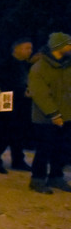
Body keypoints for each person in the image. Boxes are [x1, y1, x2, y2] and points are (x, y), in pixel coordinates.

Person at [27, 32, 71, 194]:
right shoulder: (39, 67)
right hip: (45, 119)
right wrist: (54, 114)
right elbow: (40, 94)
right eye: (69, 44)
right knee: (44, 149)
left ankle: (56, 176)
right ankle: (37, 179)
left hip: (67, 115)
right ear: (59, 47)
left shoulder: (68, 65)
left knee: (62, 148)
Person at [0, 38, 33, 173]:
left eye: (30, 48)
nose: (30, 51)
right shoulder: (6, 64)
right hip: (7, 104)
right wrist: (21, 91)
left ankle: (18, 159)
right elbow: (3, 84)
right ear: (17, 49)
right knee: (3, 133)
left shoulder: (26, 65)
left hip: (22, 105)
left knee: (19, 133)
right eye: (27, 48)